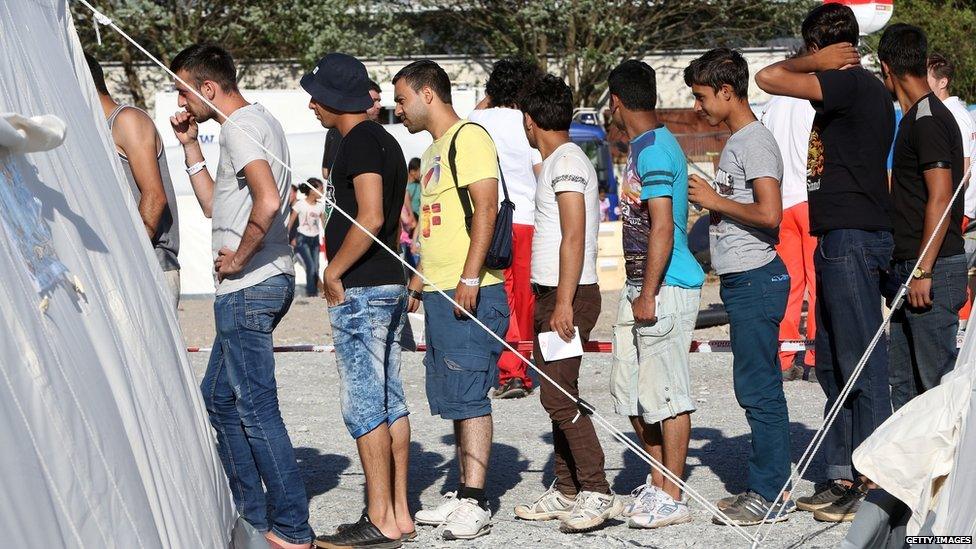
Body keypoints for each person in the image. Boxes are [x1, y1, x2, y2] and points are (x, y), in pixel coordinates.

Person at [756, 3, 896, 522]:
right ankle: (841, 472)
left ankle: (875, 480)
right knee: (835, 362)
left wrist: (810, 59)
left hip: (853, 236)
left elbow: (767, 76)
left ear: (825, 49)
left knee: (861, 360)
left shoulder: (851, 83)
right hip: (837, 233)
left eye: (812, 49)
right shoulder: (852, 88)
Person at [168, 44, 311, 549]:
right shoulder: (256, 122)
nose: (182, 102)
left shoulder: (239, 126)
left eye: (183, 90)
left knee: (253, 408)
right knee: (219, 400)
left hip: (250, 284)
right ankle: (253, 516)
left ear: (207, 88)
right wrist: (190, 146)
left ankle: (290, 529)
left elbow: (270, 201)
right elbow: (216, 205)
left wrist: (239, 258)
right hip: (257, 282)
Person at [301, 53, 413, 549]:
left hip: (364, 286)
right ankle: (399, 512)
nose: (311, 105)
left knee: (365, 403)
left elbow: (369, 216)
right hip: (385, 282)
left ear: (332, 98)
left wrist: (333, 269)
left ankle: (380, 518)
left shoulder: (360, 141)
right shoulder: (382, 138)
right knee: (391, 399)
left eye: (316, 95)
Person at [394, 59, 509, 541]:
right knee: (452, 397)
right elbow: (436, 227)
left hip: (471, 289)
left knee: (470, 394)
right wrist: (421, 279)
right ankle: (464, 492)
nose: (396, 109)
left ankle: (477, 500)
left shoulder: (470, 137)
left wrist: (468, 276)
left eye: (401, 99)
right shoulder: (436, 148)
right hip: (440, 289)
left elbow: (486, 206)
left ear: (427, 94)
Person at [685, 48, 794, 525]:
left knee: (760, 388)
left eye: (702, 96)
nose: (698, 107)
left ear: (727, 91)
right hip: (742, 278)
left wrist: (714, 199)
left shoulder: (754, 142)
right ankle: (762, 485)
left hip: (757, 278)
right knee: (752, 385)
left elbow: (770, 215)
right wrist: (717, 203)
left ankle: (771, 493)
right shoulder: (736, 143)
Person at [513, 74, 621, 532]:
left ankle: (597, 491)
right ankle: (567, 488)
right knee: (554, 395)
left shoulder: (568, 160)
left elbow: (574, 233)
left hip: (568, 296)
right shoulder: (558, 159)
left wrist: (563, 301)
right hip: (551, 292)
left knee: (560, 396)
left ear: (529, 120)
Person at [607, 60, 705, 529]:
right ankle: (657, 478)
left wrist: (648, 293)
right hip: (638, 286)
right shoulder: (643, 146)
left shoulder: (656, 151)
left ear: (616, 101)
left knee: (667, 394)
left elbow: (664, 226)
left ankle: (673, 492)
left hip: (664, 286)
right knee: (630, 390)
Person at [880, 25, 967, 412]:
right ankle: (906, 474)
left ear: (887, 69)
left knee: (936, 390)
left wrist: (923, 271)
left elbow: (941, 195)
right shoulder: (913, 118)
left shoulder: (929, 118)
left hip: (931, 269)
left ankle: (949, 475)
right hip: (909, 267)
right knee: (903, 385)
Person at [468, 58, 543, 399]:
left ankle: (502, 368)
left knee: (496, 295)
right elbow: (541, 173)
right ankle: (519, 372)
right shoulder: (529, 123)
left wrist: (488, 99)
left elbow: (477, 110)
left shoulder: (476, 120)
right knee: (523, 298)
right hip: (526, 217)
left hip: (487, 221)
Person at [85, 52, 181, 309]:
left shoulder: (127, 120)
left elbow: (154, 196)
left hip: (150, 267)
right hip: (119, 269)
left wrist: (125, 257)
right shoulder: (96, 131)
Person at [760, 78, 817, 381]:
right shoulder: (813, 100)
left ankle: (783, 358)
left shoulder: (771, 105)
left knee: (789, 285)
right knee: (818, 284)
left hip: (780, 203)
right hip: (811, 199)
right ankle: (815, 357)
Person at [927, 54, 976, 303]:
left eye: (926, 76)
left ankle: (955, 329)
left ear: (942, 82)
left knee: (947, 271)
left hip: (956, 208)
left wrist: (948, 208)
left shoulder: (952, 114)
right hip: (953, 207)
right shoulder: (951, 111)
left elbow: (963, 170)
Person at [322, 80, 382, 180]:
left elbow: (325, 172)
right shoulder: (360, 134)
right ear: (359, 101)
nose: (379, 106)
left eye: (379, 101)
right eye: (373, 101)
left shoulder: (333, 131)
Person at [290, 178, 325, 298]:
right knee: (310, 266)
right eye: (321, 189)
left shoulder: (320, 206)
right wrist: (287, 238)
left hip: (315, 239)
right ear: (312, 190)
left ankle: (314, 291)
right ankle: (312, 294)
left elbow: (324, 224)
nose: (323, 191)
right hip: (302, 239)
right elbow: (290, 223)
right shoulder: (300, 204)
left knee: (316, 266)